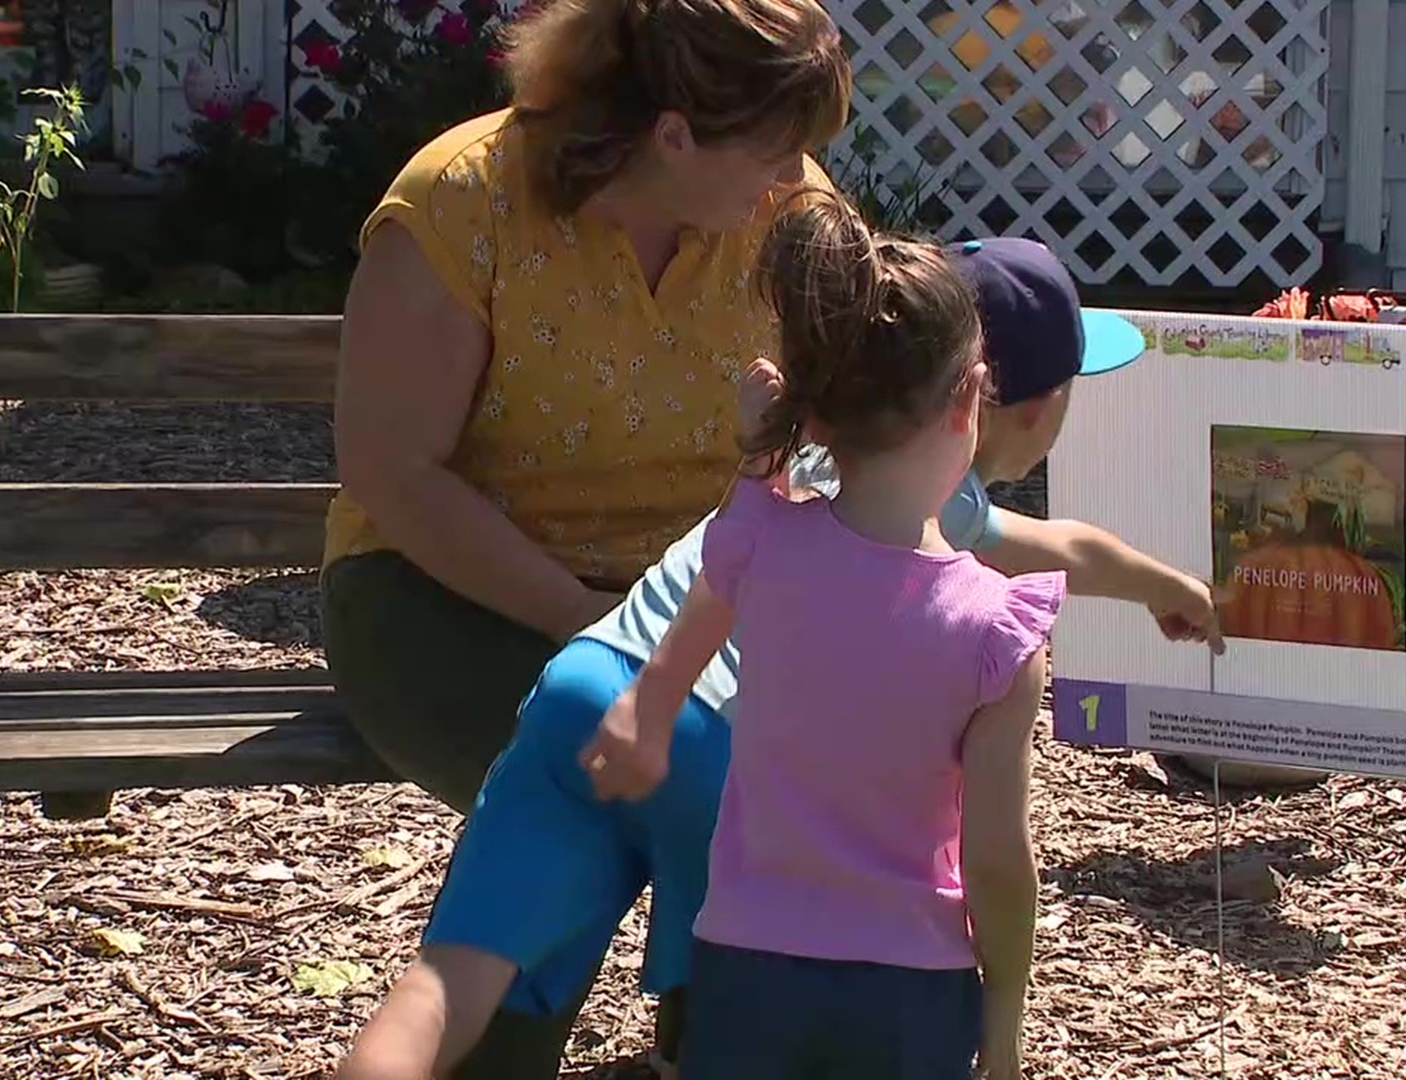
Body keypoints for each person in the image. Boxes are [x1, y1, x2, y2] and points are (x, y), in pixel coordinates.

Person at [333, 227, 1222, 1079]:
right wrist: (1169, 590)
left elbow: (733, 553)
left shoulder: (779, 480)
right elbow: (1062, 553)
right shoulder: (943, 547)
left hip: (593, 681)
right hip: (716, 758)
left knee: (445, 982)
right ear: (986, 398)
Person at [319, 0, 852, 820]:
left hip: (696, 595)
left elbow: (838, 417)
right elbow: (393, 473)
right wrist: (592, 622)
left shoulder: (788, 211)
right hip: (444, 596)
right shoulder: (460, 202)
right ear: (674, 136)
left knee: (846, 757)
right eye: (776, 152)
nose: (795, 177)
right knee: (657, 778)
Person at [585, 191, 1056, 1078]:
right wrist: (1005, 1014)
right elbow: (997, 859)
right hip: (912, 992)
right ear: (968, 403)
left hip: (745, 967)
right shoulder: (998, 632)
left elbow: (687, 637)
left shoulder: (759, 539)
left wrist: (646, 720)